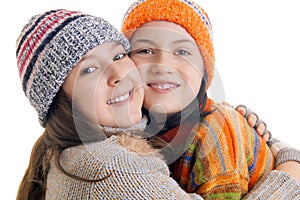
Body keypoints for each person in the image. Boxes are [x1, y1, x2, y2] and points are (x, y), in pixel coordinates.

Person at [15, 9, 206, 200]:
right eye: (89, 69)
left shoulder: (67, 155)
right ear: (61, 101)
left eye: (119, 56)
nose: (118, 74)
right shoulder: (112, 169)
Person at [121, 0, 300, 199]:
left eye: (182, 52)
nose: (163, 65)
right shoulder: (127, 125)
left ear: (204, 70)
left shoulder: (215, 137)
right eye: (145, 50)